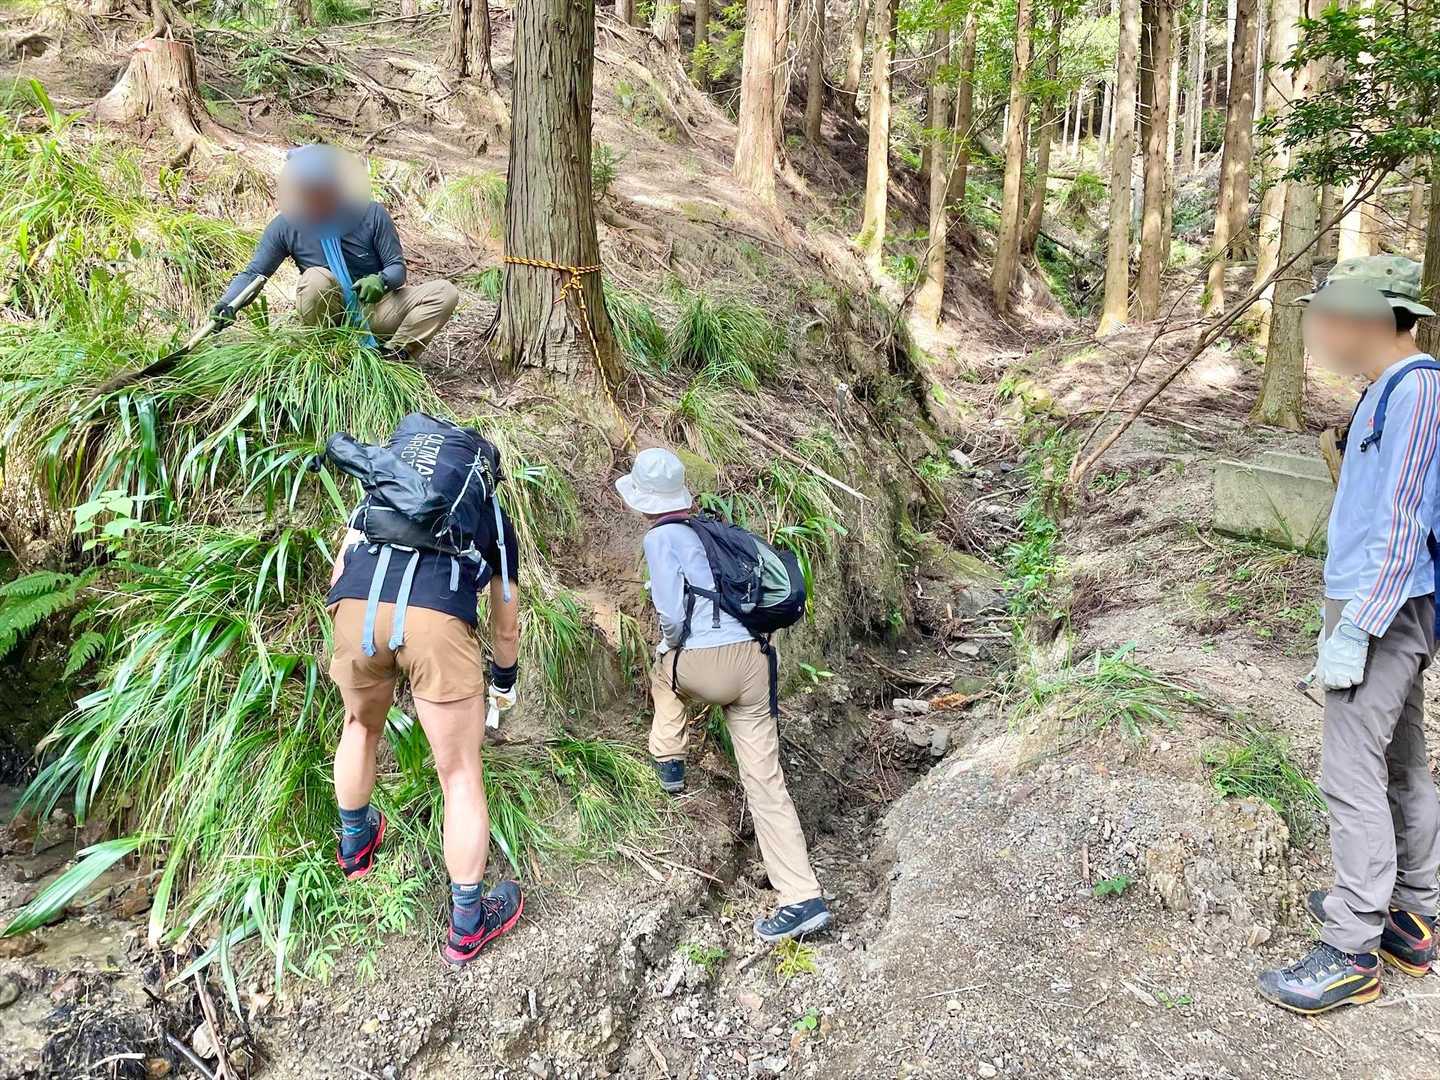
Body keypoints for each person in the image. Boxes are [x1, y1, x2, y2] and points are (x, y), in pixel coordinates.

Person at [1258, 256, 1440, 1014]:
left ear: (1375, 320)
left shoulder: (1418, 392)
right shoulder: (1387, 390)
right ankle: (1412, 917)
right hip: (1377, 604)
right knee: (1399, 758)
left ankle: (1352, 947)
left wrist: (1357, 628)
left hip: (1385, 609)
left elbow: (1402, 523)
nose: (1326, 333)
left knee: (1349, 770)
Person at [615, 447, 832, 943]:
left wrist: (669, 646)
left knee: (662, 673)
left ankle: (669, 761)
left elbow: (671, 616)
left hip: (707, 666)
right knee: (765, 781)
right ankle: (802, 897)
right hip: (755, 663)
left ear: (646, 500)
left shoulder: (660, 537)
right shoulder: (711, 532)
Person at [325, 473, 522, 967]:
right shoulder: (487, 509)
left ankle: (355, 846)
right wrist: (503, 678)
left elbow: (338, 571)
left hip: (358, 607)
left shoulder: (382, 486)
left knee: (358, 726)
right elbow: (506, 621)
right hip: (436, 618)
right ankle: (468, 923)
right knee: (459, 772)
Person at [214, 144, 459, 359]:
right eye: (309, 192)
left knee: (444, 293)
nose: (318, 199)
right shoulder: (287, 226)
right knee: (314, 277)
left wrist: (381, 280)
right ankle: (325, 354)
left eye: (324, 190)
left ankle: (394, 356)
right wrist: (228, 303)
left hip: (374, 311)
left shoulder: (371, 214)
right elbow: (255, 273)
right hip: (329, 318)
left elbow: (396, 268)